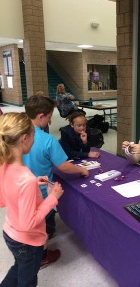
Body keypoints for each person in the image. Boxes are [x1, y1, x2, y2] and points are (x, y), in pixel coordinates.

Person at [23, 95, 89, 268]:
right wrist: (81, 170)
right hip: (42, 194)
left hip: (22, 193)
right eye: (50, 115)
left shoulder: (17, 134)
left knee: (30, 222)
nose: (51, 119)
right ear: (41, 116)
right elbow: (64, 166)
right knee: (44, 228)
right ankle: (41, 255)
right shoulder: (47, 140)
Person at [0, 112, 63, 286]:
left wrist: (34, 184)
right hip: (26, 242)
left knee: (19, 266)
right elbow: (29, 223)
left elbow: (4, 198)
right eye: (34, 135)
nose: (35, 139)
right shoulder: (25, 180)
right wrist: (52, 198)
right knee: (27, 280)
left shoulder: (4, 164)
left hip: (10, 233)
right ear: (24, 139)